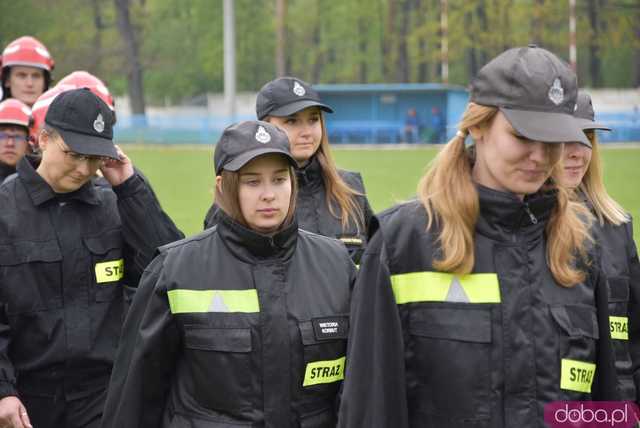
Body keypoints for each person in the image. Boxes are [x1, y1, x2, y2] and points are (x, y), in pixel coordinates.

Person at [338, 45, 618, 428]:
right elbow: (370, 410)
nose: (539, 155)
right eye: (522, 135)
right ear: (477, 125)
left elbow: (602, 407)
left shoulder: (581, 246)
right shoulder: (401, 243)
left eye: (553, 140)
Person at [101, 121, 355, 427]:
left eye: (279, 180)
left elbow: (359, 389)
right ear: (223, 187)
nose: (269, 195)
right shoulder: (176, 270)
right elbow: (135, 399)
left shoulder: (337, 265)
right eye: (252, 182)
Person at [0, 88, 183, 428]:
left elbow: (172, 269)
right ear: (43, 139)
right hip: (24, 402)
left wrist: (130, 188)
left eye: (95, 158)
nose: (84, 169)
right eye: (74, 154)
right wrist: (2, 390)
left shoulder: (114, 204)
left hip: (105, 398)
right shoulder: (5, 211)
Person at [205, 77, 374, 263]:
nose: (307, 132)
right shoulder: (240, 196)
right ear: (264, 127)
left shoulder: (350, 188)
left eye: (313, 119)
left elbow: (374, 265)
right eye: (292, 121)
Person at [563, 91, 640, 402]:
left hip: (610, 413)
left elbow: (634, 334)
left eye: (586, 138)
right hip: (555, 415)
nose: (577, 152)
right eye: (565, 138)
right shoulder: (520, 228)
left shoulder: (616, 226)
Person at [1, 36, 54, 107]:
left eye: (36, 76)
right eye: (22, 76)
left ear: (45, 82)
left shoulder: (61, 116)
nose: (29, 83)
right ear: (7, 80)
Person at [0, 99, 31, 184]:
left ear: (29, 143)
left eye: (17, 137)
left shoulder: (42, 183)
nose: (10, 143)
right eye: (2, 136)